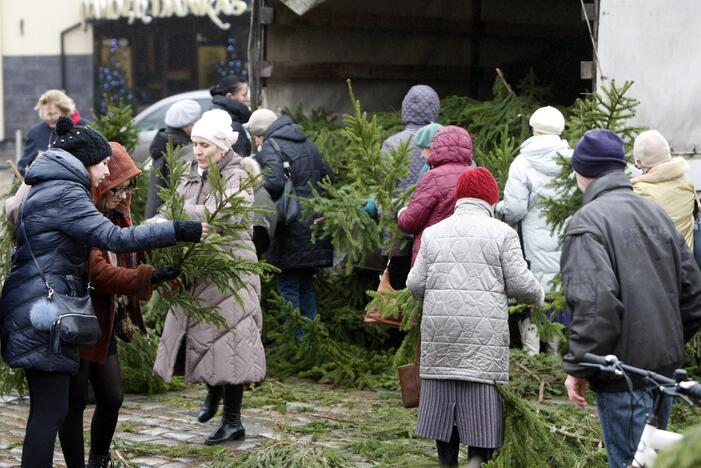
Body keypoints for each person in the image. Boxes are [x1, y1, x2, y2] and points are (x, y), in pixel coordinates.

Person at [0, 117, 205, 467]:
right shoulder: (66, 193)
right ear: (85, 160)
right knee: (50, 414)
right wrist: (182, 229)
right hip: (43, 311)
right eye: (103, 162)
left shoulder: (52, 185)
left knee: (52, 410)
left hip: (35, 305)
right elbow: (115, 239)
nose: (106, 169)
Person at [561, 129, 701, 468]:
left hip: (622, 375)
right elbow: (693, 294)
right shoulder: (656, 214)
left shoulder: (587, 223)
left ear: (582, 173)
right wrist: (663, 344)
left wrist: (579, 366)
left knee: (630, 464)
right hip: (664, 372)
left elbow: (596, 307)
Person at [407, 167, 544, 468]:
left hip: (440, 334)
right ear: (491, 199)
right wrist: (538, 296)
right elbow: (523, 286)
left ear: (459, 198)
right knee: (481, 405)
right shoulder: (502, 233)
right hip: (483, 336)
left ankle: (447, 463)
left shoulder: (433, 233)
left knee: (443, 401)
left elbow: (414, 284)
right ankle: (476, 462)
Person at [56, 142, 182, 468]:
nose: (124, 196)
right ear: (100, 182)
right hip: (77, 316)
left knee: (112, 396)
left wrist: (160, 267)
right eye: (117, 188)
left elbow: (130, 252)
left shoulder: (119, 214)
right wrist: (146, 279)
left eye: (128, 188)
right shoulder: (85, 214)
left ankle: (98, 460)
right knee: (73, 402)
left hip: (104, 319)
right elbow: (98, 272)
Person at [152, 109, 266, 445]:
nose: (198, 150)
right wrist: (157, 223)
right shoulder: (194, 172)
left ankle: (233, 421)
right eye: (195, 144)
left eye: (204, 145)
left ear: (219, 146)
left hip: (231, 270)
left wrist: (175, 218)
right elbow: (174, 203)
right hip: (201, 269)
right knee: (205, 337)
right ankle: (213, 391)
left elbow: (226, 213)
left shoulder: (237, 174)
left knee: (231, 343)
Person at [496, 106, 573, 356]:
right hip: (564, 239)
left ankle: (531, 356)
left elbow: (515, 210)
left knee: (531, 294)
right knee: (556, 293)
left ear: (534, 129)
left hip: (531, 243)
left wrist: (499, 208)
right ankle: (554, 355)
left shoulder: (523, 162)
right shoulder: (572, 160)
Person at [248, 108, 333, 324]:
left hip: (290, 225)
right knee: (305, 284)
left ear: (260, 133)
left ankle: (294, 343)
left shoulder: (270, 146)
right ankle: (312, 340)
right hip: (313, 222)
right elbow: (327, 176)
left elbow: (274, 183)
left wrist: (252, 182)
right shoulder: (307, 142)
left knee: (288, 286)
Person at [382, 84, 440, 288]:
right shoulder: (444, 141)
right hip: (431, 231)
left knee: (396, 289)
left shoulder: (392, 144)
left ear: (405, 108)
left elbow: (384, 188)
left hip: (397, 229)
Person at [397, 125, 474, 266]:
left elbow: (410, 221)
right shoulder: (476, 175)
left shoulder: (433, 177)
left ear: (436, 147)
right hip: (469, 257)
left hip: (435, 257)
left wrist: (401, 212)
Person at [632, 129, 695, 249]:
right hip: (688, 264)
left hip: (656, 265)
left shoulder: (639, 191)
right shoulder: (687, 182)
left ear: (639, 162)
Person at [145, 99, 202, 218]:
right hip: (169, 217)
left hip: (156, 213)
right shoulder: (182, 150)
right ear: (187, 125)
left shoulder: (164, 142)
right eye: (197, 121)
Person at [18, 89, 87, 175]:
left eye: (52, 114)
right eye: (45, 113)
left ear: (65, 110)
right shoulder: (36, 132)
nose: (48, 118)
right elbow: (24, 166)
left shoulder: (84, 127)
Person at [210, 75, 252, 156]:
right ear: (229, 96)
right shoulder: (231, 125)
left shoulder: (214, 114)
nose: (248, 99)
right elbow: (238, 161)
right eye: (244, 95)